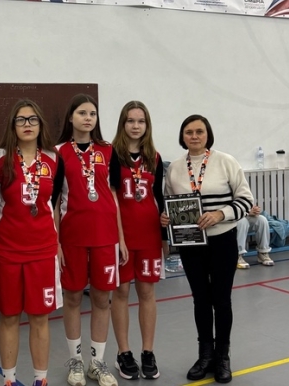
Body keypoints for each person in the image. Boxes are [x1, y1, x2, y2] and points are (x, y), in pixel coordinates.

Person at [162, 114, 252, 384]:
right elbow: (169, 202)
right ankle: (205, 355)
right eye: (189, 132)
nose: (194, 136)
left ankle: (222, 356)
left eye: (199, 131)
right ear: (182, 136)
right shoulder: (175, 168)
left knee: (221, 300)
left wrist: (220, 214)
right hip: (191, 244)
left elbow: (246, 200)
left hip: (223, 240)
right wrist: (165, 217)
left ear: (208, 134)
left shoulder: (226, 161)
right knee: (200, 300)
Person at [0, 99, 64, 386]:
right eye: (21, 120)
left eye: (33, 119)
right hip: (6, 249)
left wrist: (58, 243)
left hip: (42, 250)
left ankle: (40, 380)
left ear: (40, 124)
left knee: (39, 317)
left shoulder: (54, 158)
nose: (27, 125)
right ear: (12, 125)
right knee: (9, 317)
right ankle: (9, 380)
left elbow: (53, 204)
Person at [56, 94, 127, 386]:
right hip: (71, 237)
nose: (88, 118)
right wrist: (56, 243)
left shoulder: (109, 151)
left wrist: (120, 238)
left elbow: (114, 196)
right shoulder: (57, 152)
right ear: (70, 117)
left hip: (105, 237)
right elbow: (53, 202)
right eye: (82, 113)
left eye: (93, 114)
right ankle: (75, 361)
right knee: (72, 298)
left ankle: (97, 364)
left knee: (101, 299)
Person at [109, 101, 165, 380]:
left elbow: (160, 197)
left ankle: (147, 351)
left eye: (140, 121)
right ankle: (124, 352)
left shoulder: (154, 157)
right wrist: (118, 238)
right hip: (122, 237)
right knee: (120, 293)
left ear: (147, 125)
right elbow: (111, 198)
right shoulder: (112, 155)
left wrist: (166, 233)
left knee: (147, 293)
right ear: (123, 123)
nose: (135, 126)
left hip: (149, 235)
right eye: (130, 120)